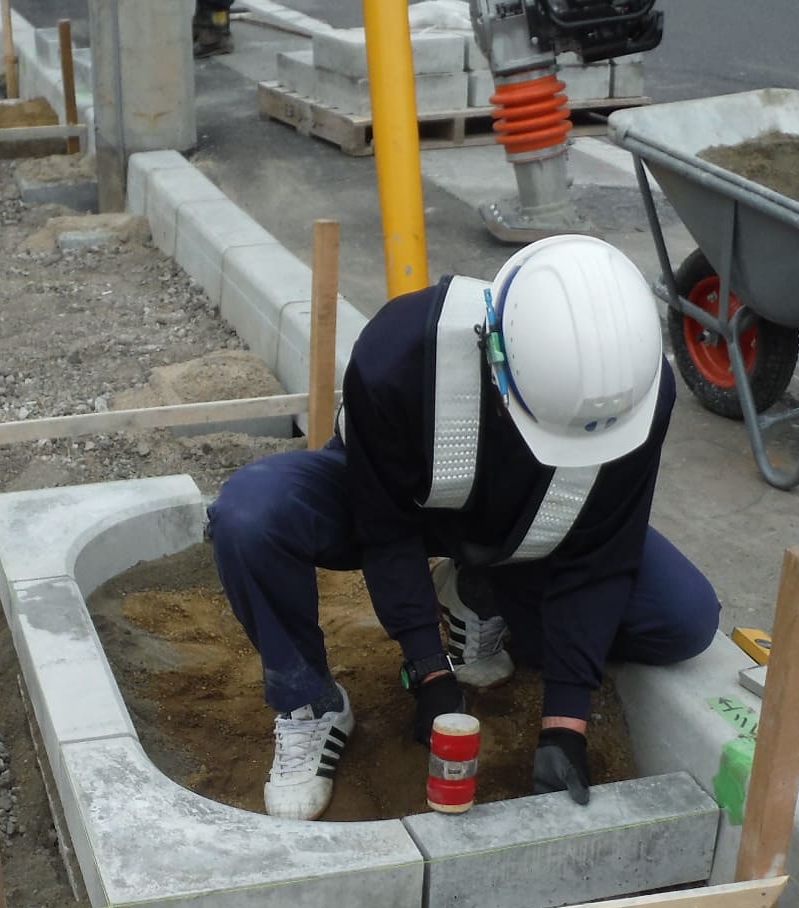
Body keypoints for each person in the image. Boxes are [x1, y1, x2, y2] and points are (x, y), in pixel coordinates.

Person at [206, 234, 721, 821]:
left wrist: (566, 724)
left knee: (683, 619)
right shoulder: (398, 355)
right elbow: (386, 529)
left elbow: (600, 555)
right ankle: (311, 703)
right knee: (251, 514)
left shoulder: (633, 395)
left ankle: (477, 592)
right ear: (496, 353)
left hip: (527, 526)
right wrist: (429, 671)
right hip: (399, 499)